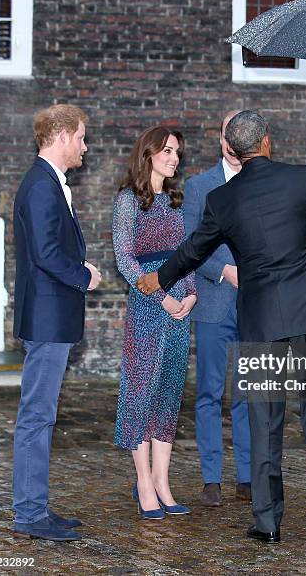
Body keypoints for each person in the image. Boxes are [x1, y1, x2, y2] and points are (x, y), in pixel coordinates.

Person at [137, 110, 306, 543]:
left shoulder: (223, 201)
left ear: (232, 148)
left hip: (259, 321)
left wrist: (158, 278)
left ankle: (267, 523)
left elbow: (193, 251)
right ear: (266, 142)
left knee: (264, 422)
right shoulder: (300, 178)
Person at [12, 104, 102, 542]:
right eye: (82, 137)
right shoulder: (42, 185)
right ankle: (29, 514)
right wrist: (83, 275)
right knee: (37, 416)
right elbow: (46, 253)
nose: (85, 146)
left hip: (51, 316)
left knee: (42, 415)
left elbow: (47, 248)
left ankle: (35, 507)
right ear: (63, 135)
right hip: (47, 318)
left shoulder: (46, 183)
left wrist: (77, 263)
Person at [113, 126, 197, 520]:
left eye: (177, 152)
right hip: (149, 305)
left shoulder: (177, 202)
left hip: (180, 304)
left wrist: (191, 293)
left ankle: (163, 482)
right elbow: (125, 260)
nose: (174, 158)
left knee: (167, 393)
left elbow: (187, 252)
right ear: (147, 153)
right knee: (141, 391)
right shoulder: (129, 201)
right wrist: (163, 297)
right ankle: (143, 483)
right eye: (167, 151)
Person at [183, 110, 251, 507]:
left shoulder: (262, 181)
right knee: (209, 391)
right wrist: (224, 269)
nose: (235, 141)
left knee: (249, 391)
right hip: (213, 301)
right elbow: (191, 245)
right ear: (222, 139)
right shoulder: (199, 186)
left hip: (256, 303)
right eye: (230, 133)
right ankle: (212, 479)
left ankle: (247, 475)